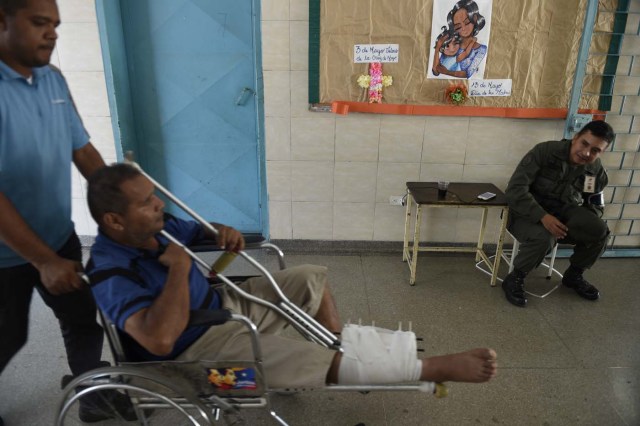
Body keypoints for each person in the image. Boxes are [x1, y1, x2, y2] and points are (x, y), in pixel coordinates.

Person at [87, 163, 498, 391]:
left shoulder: (157, 227)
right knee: (299, 359)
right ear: (114, 221)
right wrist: (179, 268)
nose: (159, 205)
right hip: (193, 356)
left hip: (222, 305)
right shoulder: (110, 271)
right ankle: (427, 370)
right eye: (146, 202)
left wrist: (219, 233)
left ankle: (342, 347)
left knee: (309, 276)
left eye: (155, 195)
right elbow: (158, 339)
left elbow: (199, 231)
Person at [0, 0, 134, 423]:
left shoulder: (53, 80)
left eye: (55, 24)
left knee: (82, 320)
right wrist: (42, 261)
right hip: (5, 257)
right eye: (40, 23)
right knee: (8, 337)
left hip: (57, 234)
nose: (52, 33)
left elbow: (82, 149)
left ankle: (91, 397)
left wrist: (123, 209)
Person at [502, 120, 614, 307]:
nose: (587, 153)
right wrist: (543, 217)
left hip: (565, 214)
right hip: (526, 214)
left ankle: (574, 275)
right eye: (584, 144)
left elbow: (595, 200)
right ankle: (515, 278)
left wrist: (582, 221)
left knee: (600, 231)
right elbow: (515, 190)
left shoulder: (594, 170)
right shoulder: (545, 152)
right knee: (544, 238)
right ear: (575, 137)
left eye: (595, 150)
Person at [432, 0, 487, 79]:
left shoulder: (481, 49)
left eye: (467, 22)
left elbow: (468, 73)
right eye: (458, 27)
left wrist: (446, 72)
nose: (463, 29)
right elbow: (436, 71)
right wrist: (437, 48)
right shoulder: (452, 46)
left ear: (474, 19)